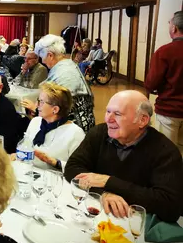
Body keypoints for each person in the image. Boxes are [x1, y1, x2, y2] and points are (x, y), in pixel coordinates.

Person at [64, 91, 183, 222]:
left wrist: (109, 182)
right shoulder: (99, 133)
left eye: (118, 114)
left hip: (137, 227)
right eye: (108, 111)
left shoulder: (165, 152)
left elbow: (170, 206)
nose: (108, 119)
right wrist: (103, 193)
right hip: (98, 215)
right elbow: (72, 168)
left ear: (142, 120)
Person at [30, 34, 95, 132]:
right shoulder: (68, 64)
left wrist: (34, 108)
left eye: (42, 57)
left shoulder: (65, 73)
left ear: (50, 55)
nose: (42, 61)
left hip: (73, 130)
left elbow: (58, 109)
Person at [15, 82, 84, 170]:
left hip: (56, 179)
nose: (37, 105)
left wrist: (54, 162)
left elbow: (78, 169)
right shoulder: (35, 122)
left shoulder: (75, 133)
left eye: (41, 102)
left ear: (55, 109)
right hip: (31, 174)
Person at [145, 11, 183, 154]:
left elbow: (151, 83)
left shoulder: (165, 52)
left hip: (170, 110)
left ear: (174, 28)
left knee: (166, 152)